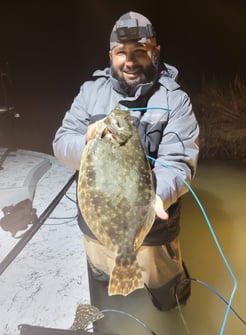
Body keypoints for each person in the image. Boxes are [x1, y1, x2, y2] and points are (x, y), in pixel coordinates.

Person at [53, 11, 199, 311]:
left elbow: (179, 162)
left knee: (168, 294)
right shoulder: (90, 92)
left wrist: (158, 196)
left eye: (139, 52)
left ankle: (171, 313)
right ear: (111, 54)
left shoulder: (175, 100)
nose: (129, 62)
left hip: (154, 230)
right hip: (96, 229)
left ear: (155, 52)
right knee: (104, 286)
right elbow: (60, 144)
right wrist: (87, 138)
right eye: (121, 53)